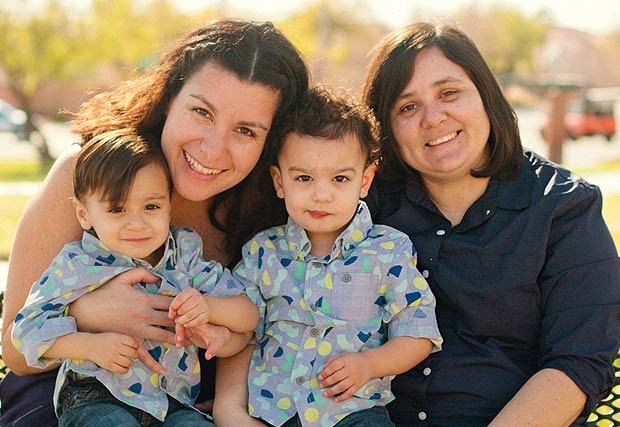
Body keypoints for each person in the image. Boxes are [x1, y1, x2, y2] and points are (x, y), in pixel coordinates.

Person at [0, 19, 309, 427]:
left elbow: (257, 327)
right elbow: (16, 352)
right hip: (72, 390)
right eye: (201, 112)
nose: (213, 149)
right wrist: (88, 312)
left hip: (184, 400)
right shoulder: (89, 175)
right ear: (168, 99)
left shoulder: (281, 205)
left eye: (245, 131)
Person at [361, 22, 620, 426]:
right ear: (386, 128)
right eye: (407, 107)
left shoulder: (564, 207)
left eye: (449, 93)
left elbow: (578, 362)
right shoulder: (363, 208)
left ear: (485, 95)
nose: (433, 117)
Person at [12, 129, 260, 426]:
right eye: (117, 209)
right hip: (95, 396)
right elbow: (26, 330)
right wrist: (89, 346)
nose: (137, 223)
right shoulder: (77, 264)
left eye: (151, 207)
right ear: (84, 215)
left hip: (173, 401)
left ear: (170, 206)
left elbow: (250, 312)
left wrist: (210, 308)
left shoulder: (184, 257)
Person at [233, 86, 442, 427]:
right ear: (279, 181)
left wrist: (370, 365)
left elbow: (417, 332)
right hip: (274, 413)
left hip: (353, 413)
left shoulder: (388, 250)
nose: (321, 195)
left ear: (365, 180)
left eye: (340, 178)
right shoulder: (262, 252)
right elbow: (241, 327)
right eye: (303, 177)